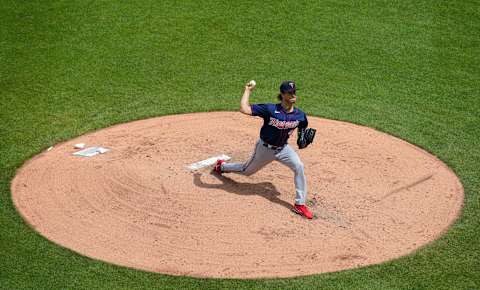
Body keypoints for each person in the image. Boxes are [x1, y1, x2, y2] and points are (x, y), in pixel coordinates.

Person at [214, 80, 314, 219]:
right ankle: (222, 166)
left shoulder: (300, 115)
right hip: (265, 149)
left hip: (283, 149)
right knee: (247, 171)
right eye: (289, 92)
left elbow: (302, 131)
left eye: (294, 92)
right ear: (282, 94)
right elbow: (244, 109)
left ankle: (300, 204)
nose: (293, 95)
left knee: (299, 166)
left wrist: (302, 140)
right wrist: (247, 90)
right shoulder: (270, 109)